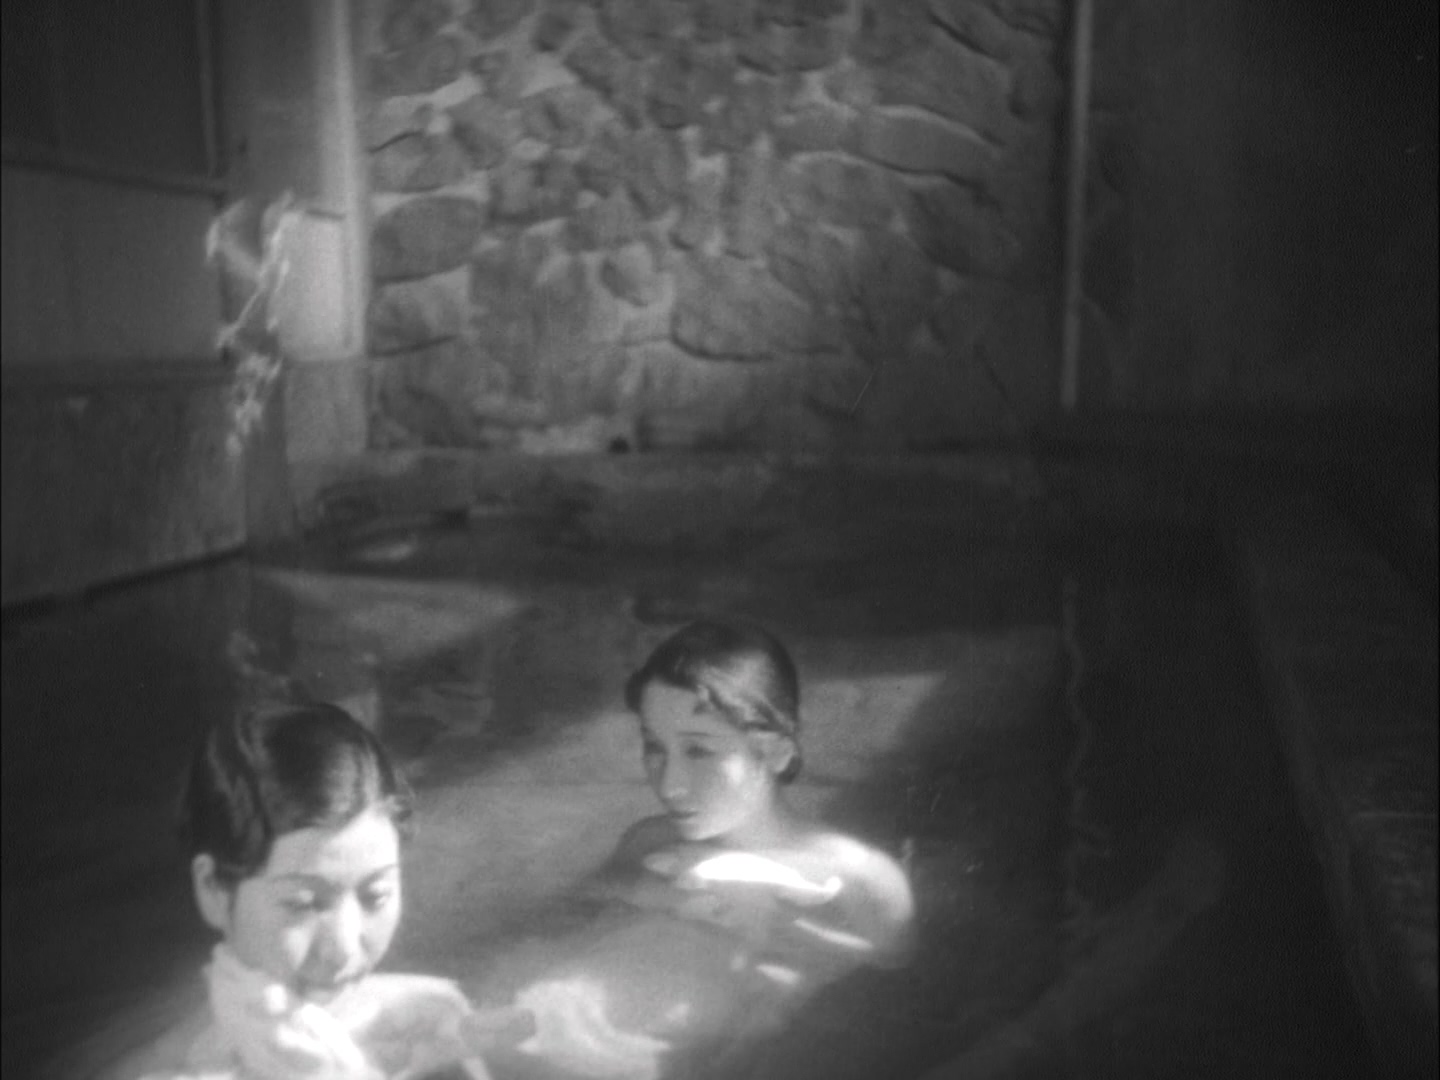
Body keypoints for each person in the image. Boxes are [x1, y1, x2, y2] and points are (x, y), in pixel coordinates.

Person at [477, 619, 915, 1079]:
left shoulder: (863, 878)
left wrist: (776, 925)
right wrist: (657, 895)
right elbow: (569, 916)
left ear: (775, 752)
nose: (670, 783)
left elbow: (892, 1009)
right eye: (654, 746)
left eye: (699, 751)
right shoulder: (651, 841)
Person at [89, 701, 494, 1080]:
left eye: (376, 896)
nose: (344, 948)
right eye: (303, 904)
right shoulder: (176, 1070)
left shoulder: (432, 1021)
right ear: (213, 889)